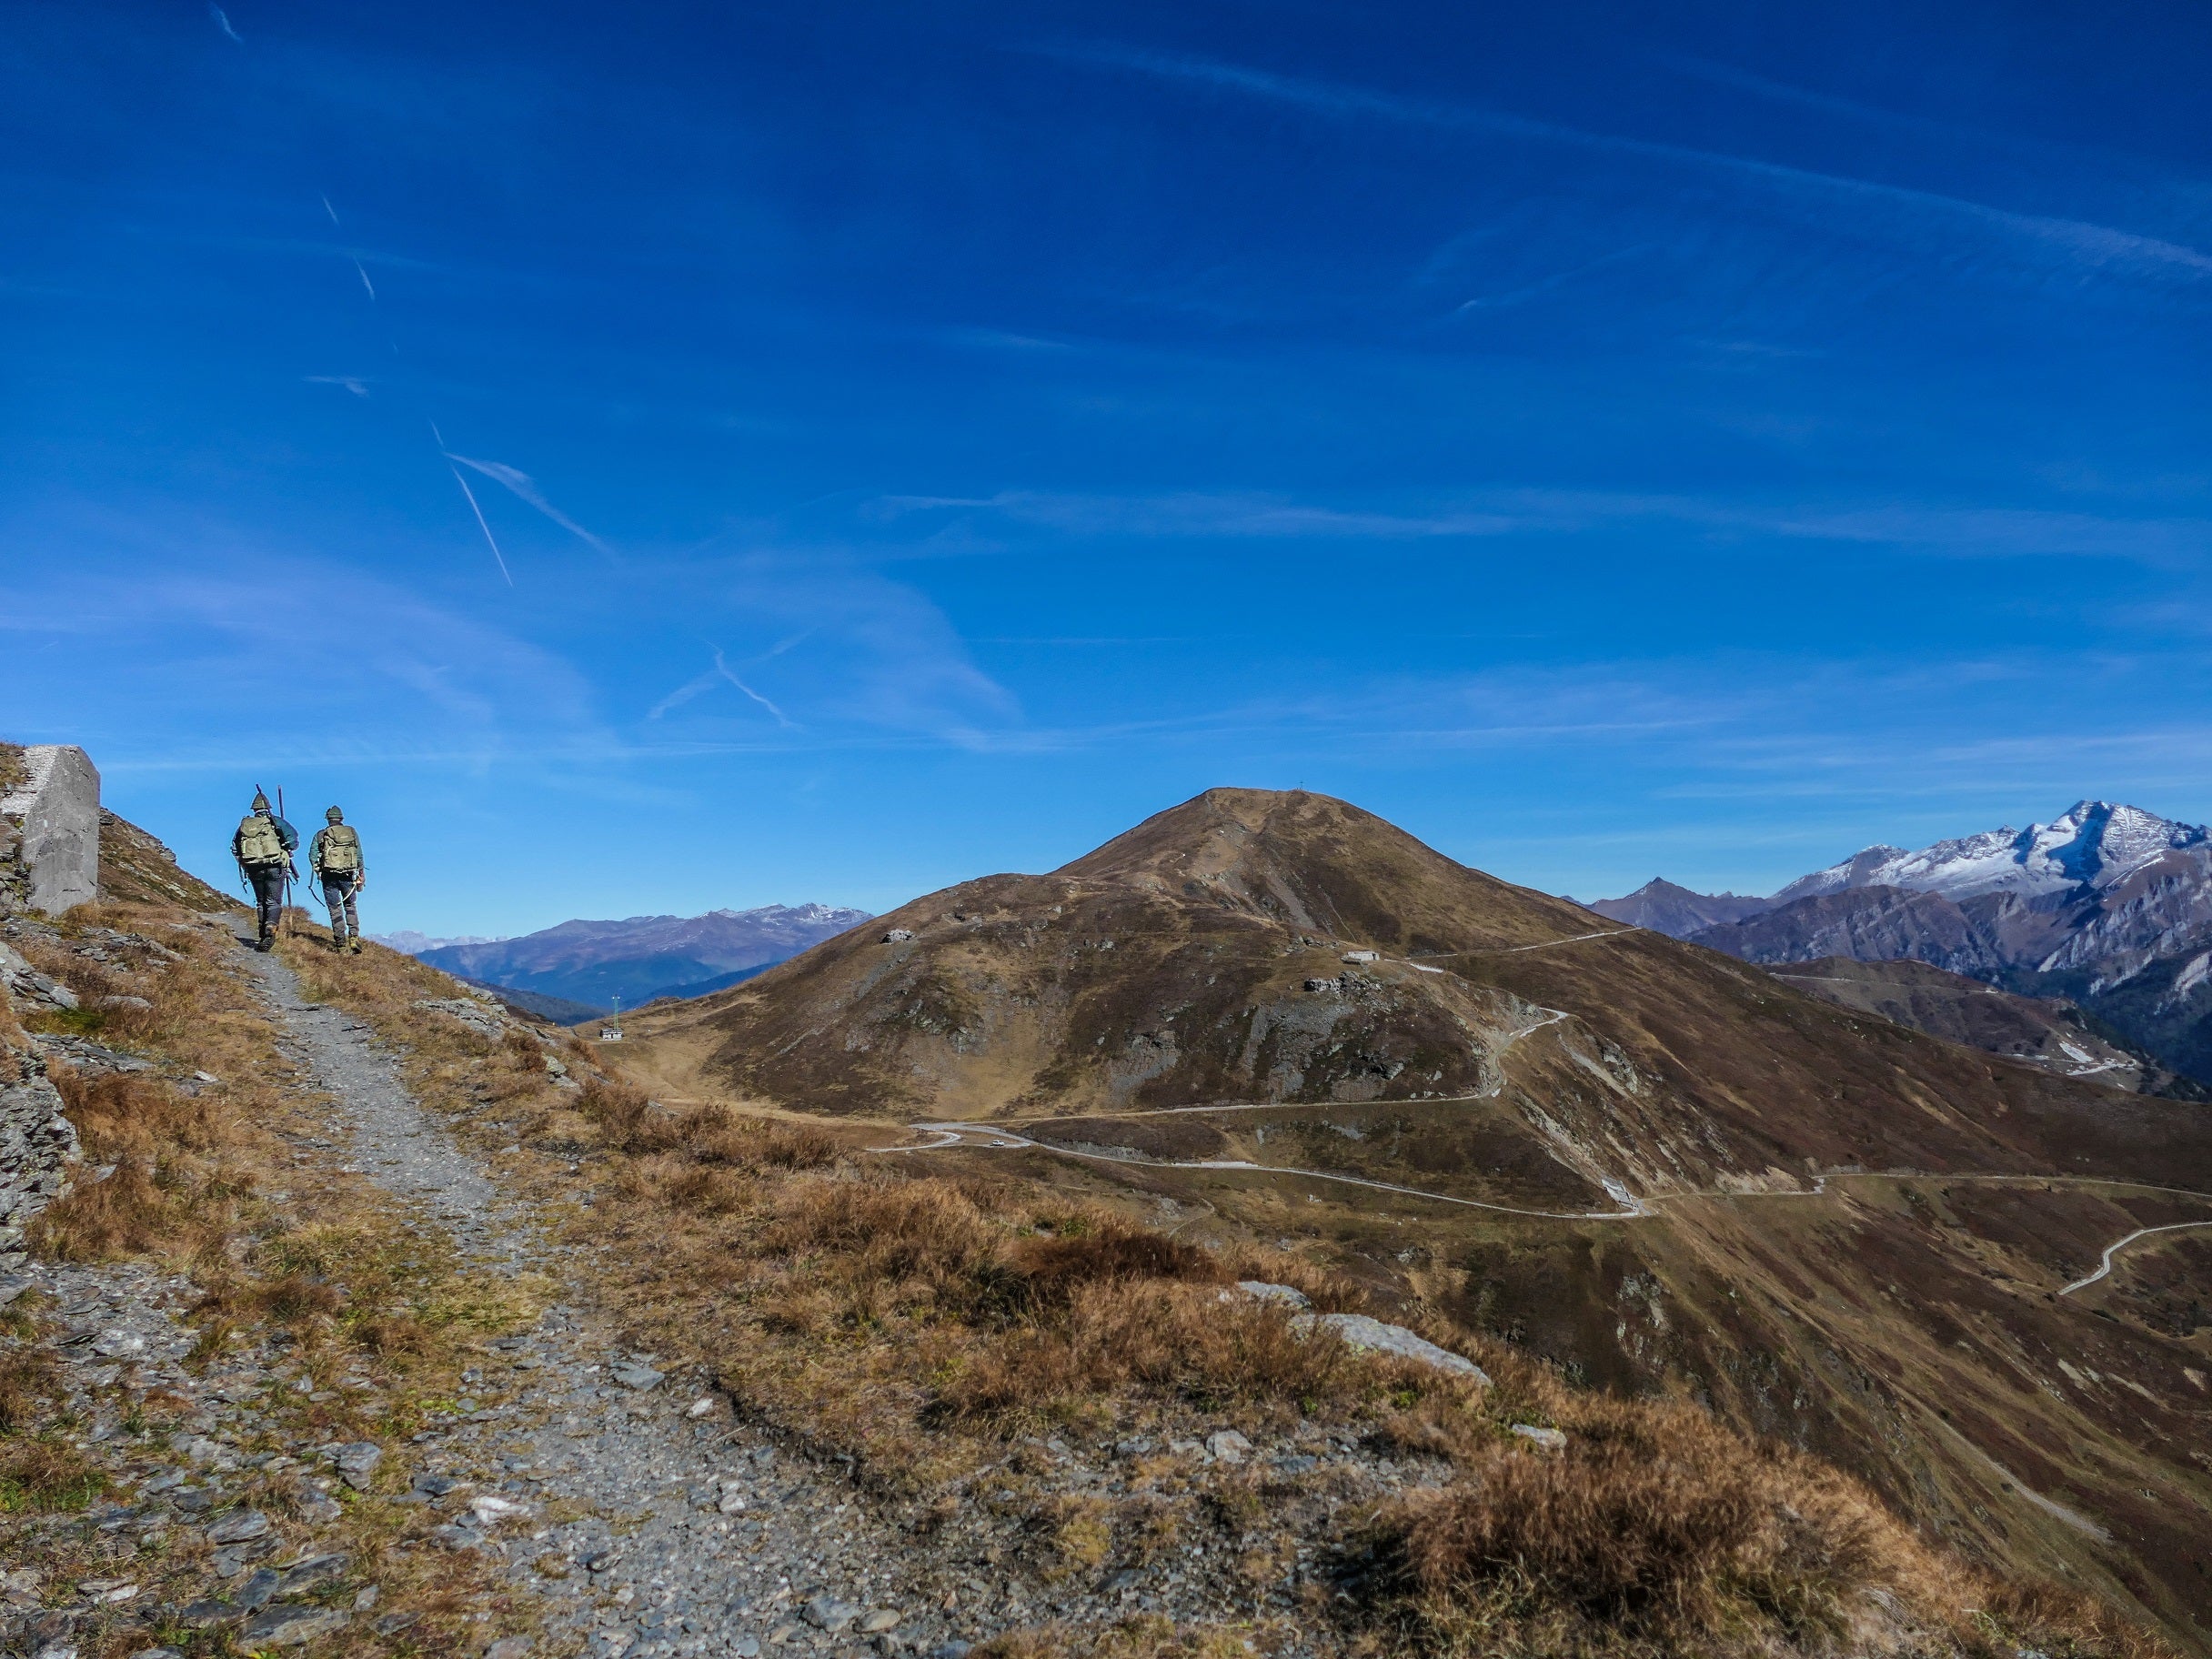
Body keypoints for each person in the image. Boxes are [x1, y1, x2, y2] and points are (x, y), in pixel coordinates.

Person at [231, 792, 298, 951]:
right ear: (268, 807)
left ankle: (263, 934)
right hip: (275, 866)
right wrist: (286, 848)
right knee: (273, 901)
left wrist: (245, 864)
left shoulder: (245, 826)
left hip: (254, 868)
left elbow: (235, 848)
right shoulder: (275, 822)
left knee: (261, 901)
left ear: (254, 809)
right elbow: (293, 841)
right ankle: (271, 926)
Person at [308, 806, 367, 954]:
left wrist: (318, 869)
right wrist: (361, 874)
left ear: (328, 819)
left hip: (328, 876)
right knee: (350, 905)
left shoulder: (321, 835)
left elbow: (312, 855)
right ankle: (354, 937)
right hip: (348, 875)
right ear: (341, 819)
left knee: (335, 909)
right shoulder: (351, 832)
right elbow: (359, 855)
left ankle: (340, 943)